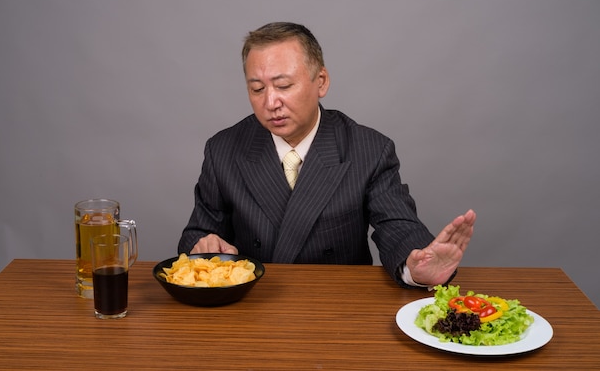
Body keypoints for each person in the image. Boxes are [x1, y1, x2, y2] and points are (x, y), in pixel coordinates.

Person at [178, 22, 475, 289]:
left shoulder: (368, 149)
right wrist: (204, 246)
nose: (270, 102)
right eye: (257, 89)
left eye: (283, 86)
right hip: (251, 306)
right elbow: (198, 233)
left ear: (321, 82)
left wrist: (417, 267)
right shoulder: (223, 149)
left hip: (338, 307)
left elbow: (397, 225)